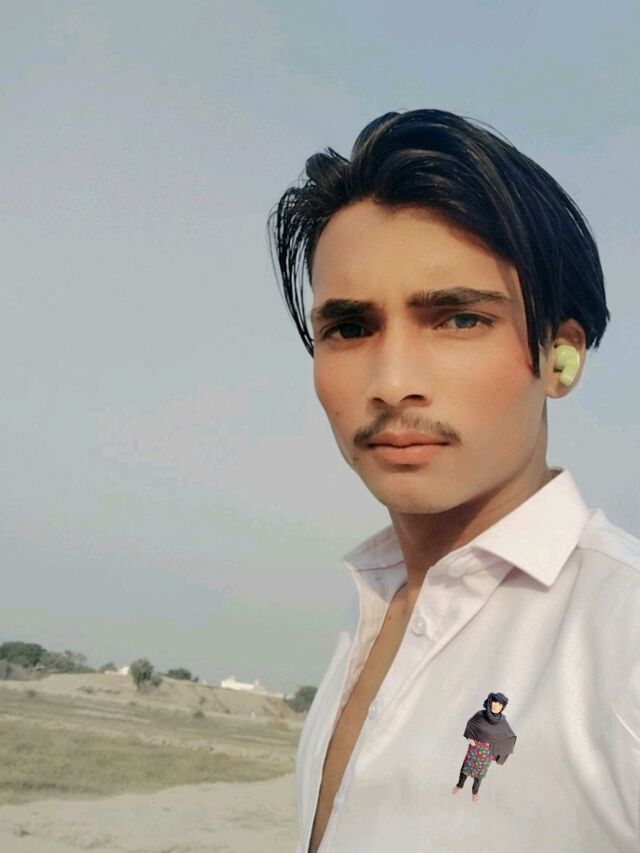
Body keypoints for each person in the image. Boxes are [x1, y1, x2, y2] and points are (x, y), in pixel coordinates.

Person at [267, 109, 640, 852]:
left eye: (459, 320)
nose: (391, 381)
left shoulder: (622, 640)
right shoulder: (374, 606)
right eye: (350, 328)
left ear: (560, 357)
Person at [452, 692, 516, 801]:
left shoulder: (502, 721)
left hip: (487, 752)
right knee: (465, 769)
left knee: (479, 775)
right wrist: (469, 738)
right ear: (490, 702)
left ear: (503, 707)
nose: (496, 706)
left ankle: (475, 792)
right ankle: (459, 785)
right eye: (495, 702)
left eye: (500, 704)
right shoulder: (480, 715)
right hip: (474, 748)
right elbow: (470, 724)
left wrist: (498, 752)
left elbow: (509, 736)